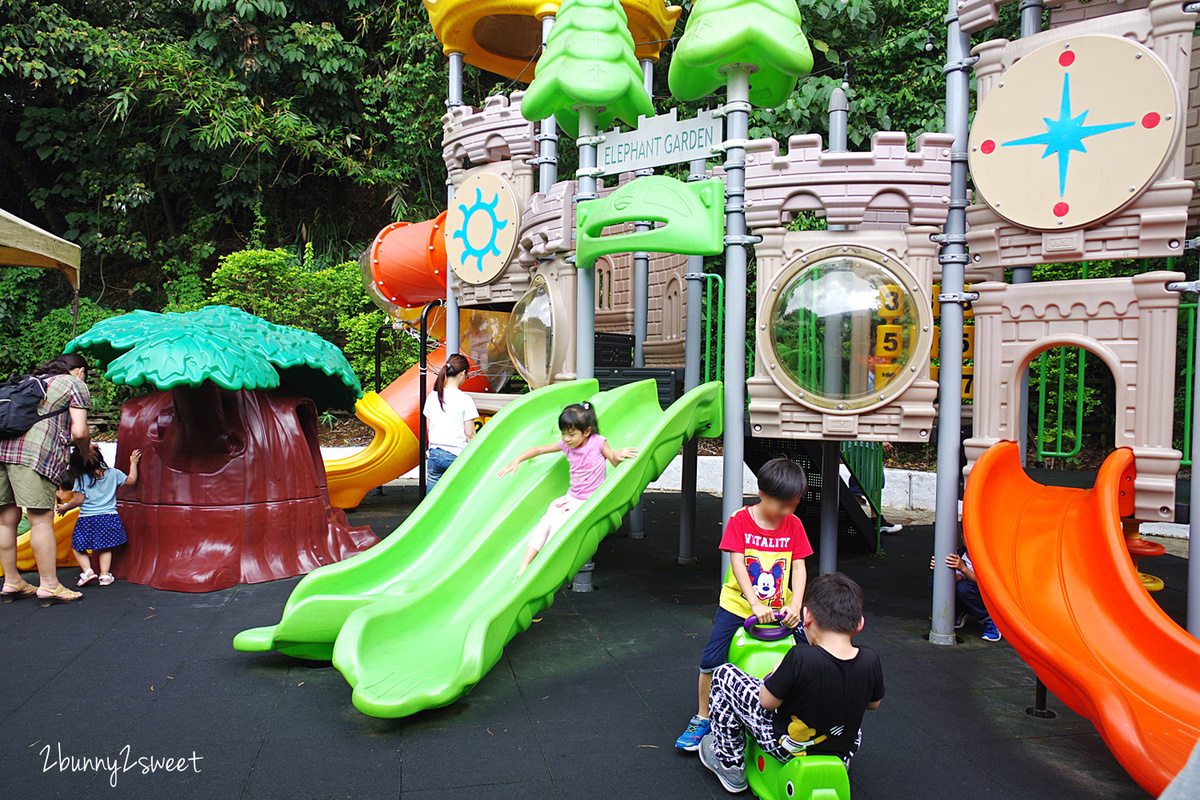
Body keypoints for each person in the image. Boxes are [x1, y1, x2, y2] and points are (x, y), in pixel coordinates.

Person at [698, 573, 885, 794]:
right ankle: (838, 762)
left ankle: (729, 763)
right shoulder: (870, 660)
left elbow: (766, 702)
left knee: (723, 674)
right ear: (859, 624)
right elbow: (873, 704)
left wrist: (775, 677)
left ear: (806, 617)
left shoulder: (799, 658)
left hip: (786, 745)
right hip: (841, 745)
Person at [676, 458, 812, 752]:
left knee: (811, 657)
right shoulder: (740, 520)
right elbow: (737, 562)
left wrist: (797, 606)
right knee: (711, 659)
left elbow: (799, 567)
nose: (787, 511)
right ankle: (703, 717)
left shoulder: (794, 525)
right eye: (782, 504)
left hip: (781, 609)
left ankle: (805, 716)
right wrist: (753, 603)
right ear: (763, 493)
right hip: (738, 606)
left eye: (794, 504)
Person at [497, 401, 636, 576]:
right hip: (572, 498)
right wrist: (516, 460)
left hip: (588, 500)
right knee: (545, 522)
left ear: (586, 432)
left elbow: (614, 460)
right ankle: (523, 568)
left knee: (557, 525)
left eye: (571, 434)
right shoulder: (565, 445)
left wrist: (617, 454)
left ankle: (542, 567)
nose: (566, 438)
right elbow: (539, 449)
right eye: (563, 433)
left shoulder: (598, 442)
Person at [0, 354, 94, 603]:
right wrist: (86, 453)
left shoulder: (30, 381)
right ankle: (50, 584)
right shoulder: (75, 384)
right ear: (80, 370)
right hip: (32, 455)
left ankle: (12, 580)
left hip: (1, 451)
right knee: (40, 518)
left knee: (6, 520)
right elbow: (80, 431)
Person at [57, 446, 141, 587]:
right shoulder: (113, 473)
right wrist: (133, 463)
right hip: (109, 517)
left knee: (78, 546)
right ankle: (104, 575)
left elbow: (78, 500)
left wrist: (64, 508)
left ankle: (88, 571)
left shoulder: (81, 478)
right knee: (105, 547)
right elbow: (132, 480)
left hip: (88, 518)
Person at [423, 354, 479, 493]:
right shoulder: (465, 399)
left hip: (434, 454)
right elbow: (470, 434)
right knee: (457, 499)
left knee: (432, 501)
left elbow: (429, 427)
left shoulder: (432, 396)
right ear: (463, 373)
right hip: (456, 455)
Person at [929, 545, 1001, 642]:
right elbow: (958, 578)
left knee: (964, 588)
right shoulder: (960, 552)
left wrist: (963, 568)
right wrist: (941, 570)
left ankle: (991, 620)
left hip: (990, 598)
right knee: (936, 583)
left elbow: (988, 582)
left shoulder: (989, 554)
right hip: (970, 595)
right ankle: (959, 611)